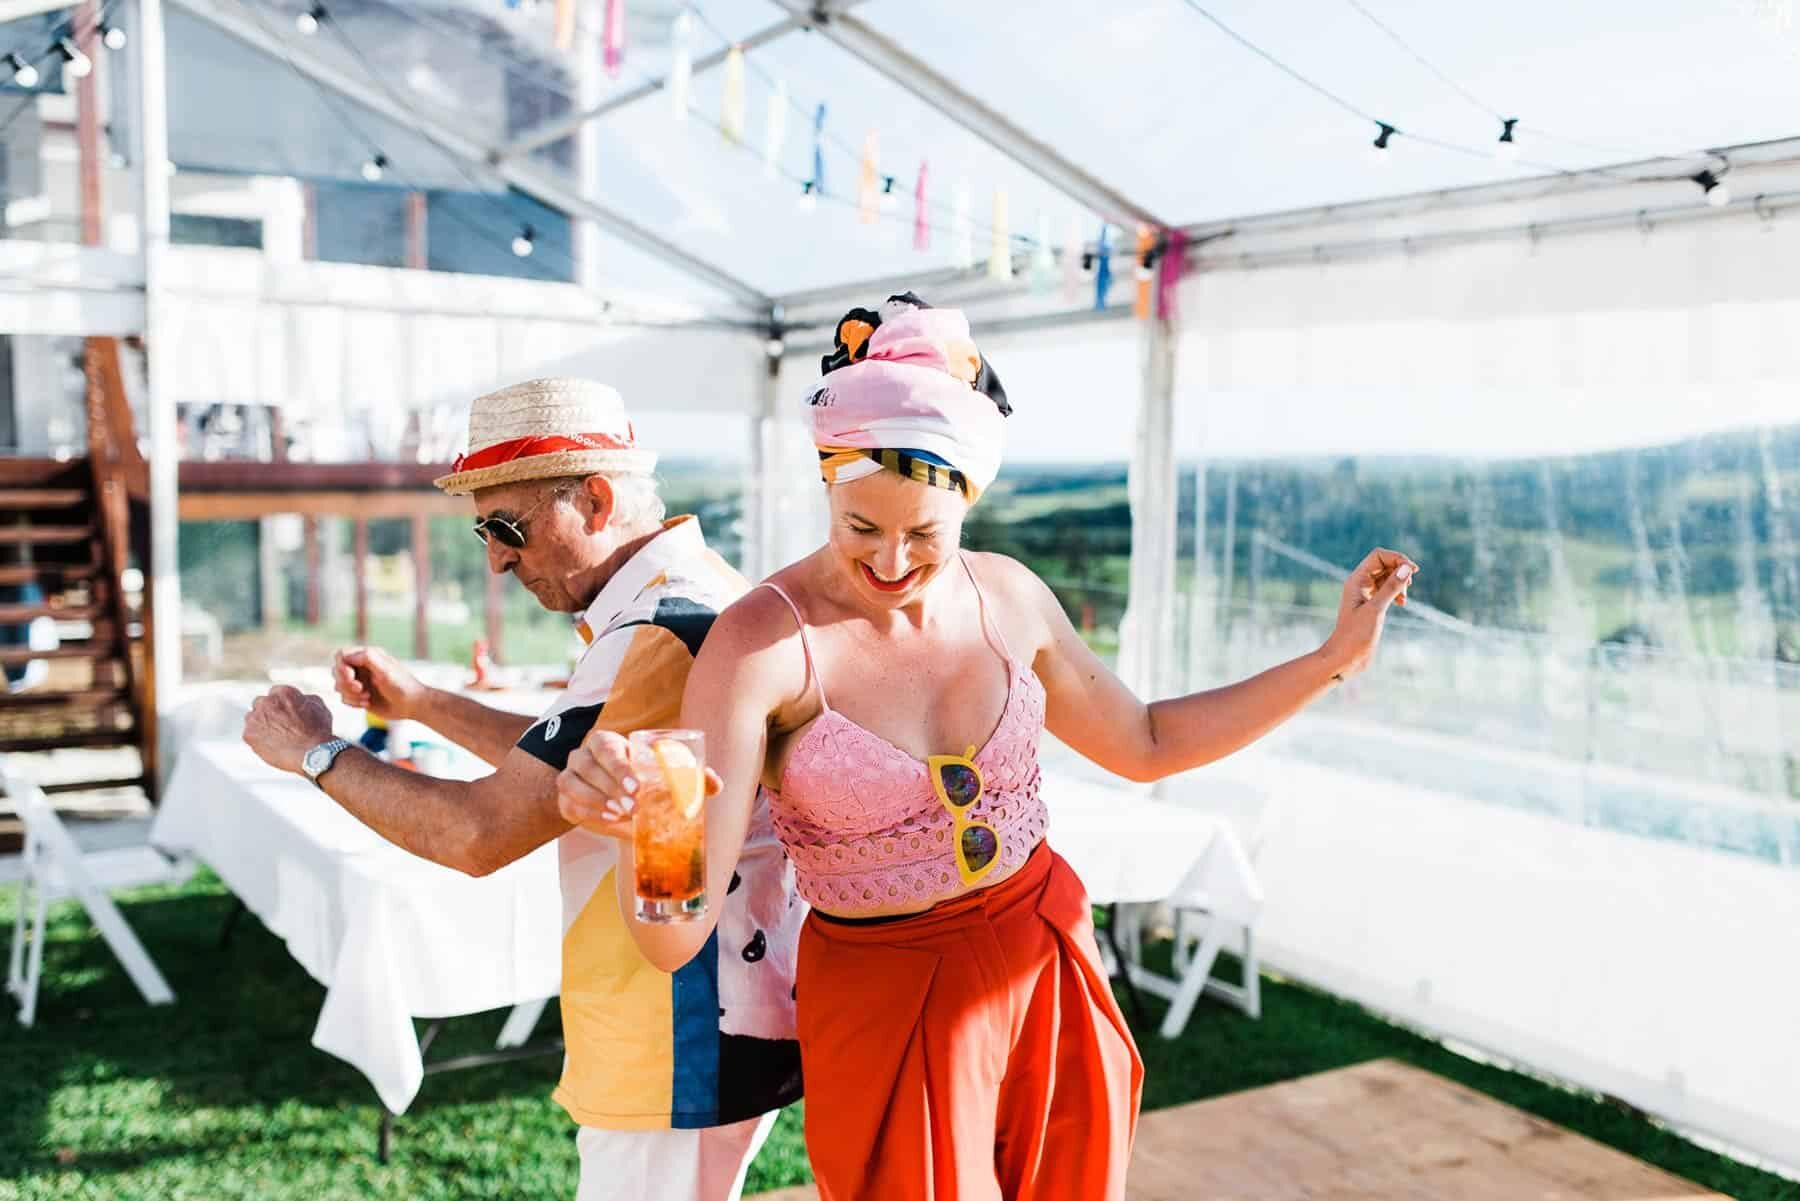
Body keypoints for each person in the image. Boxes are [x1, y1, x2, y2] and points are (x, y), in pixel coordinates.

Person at [556, 296, 1418, 1201]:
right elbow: (673, 935)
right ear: (828, 489)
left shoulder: (1011, 597)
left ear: (968, 498)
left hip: (1043, 954)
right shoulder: (756, 644)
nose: (891, 560)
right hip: (882, 1002)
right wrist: (639, 820)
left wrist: (1330, 661)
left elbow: (1150, 741)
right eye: (862, 529)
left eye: (924, 533)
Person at [240, 378, 804, 1201]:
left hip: (677, 1028)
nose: (497, 557)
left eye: (510, 527)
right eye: (483, 529)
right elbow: (557, 769)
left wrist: (316, 751)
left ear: (598, 498)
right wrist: (425, 702)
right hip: (716, 1008)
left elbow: (480, 833)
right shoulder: (688, 592)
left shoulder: (655, 632)